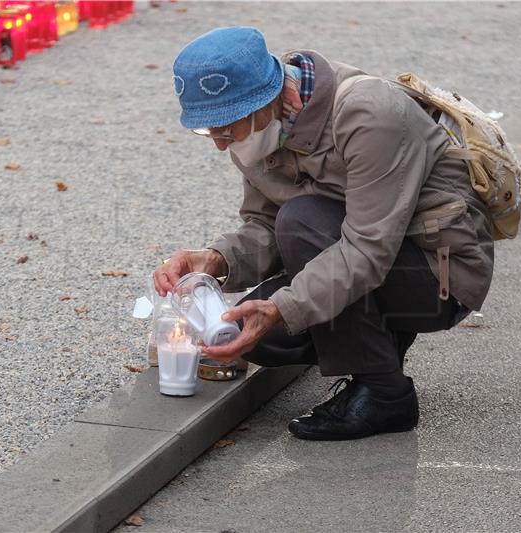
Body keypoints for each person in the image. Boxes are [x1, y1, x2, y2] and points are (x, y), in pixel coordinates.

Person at [152, 27, 493, 441]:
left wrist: (284, 307)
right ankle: (379, 342)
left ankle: (385, 394)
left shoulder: (370, 115)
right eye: (208, 132)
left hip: (439, 275)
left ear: (271, 100)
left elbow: (367, 248)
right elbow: (265, 228)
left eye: (227, 128)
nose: (222, 146)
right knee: (261, 339)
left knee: (301, 225)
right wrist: (215, 260)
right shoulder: (259, 132)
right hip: (377, 258)